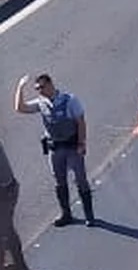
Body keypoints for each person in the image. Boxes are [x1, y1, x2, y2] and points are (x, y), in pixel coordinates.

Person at [13, 73, 94, 227]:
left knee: (80, 179)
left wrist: (82, 143)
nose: (40, 91)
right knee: (59, 181)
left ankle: (89, 215)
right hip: (55, 148)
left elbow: (80, 121)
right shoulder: (41, 103)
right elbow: (20, 108)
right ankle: (66, 214)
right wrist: (20, 87)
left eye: (42, 87)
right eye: (37, 89)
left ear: (50, 84)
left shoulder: (69, 100)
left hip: (71, 146)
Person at [0, 137, 28, 270]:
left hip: (4, 193)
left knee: (5, 232)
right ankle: (20, 265)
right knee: (8, 230)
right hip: (9, 189)